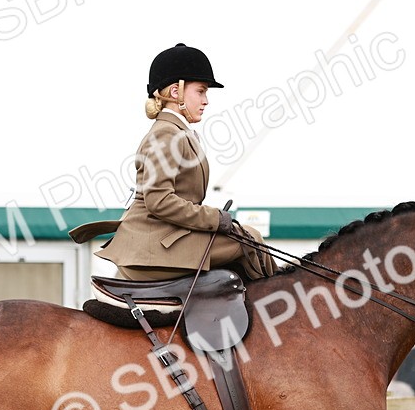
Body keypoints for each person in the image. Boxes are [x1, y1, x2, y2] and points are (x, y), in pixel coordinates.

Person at [78, 44, 277, 282]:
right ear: (176, 92)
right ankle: (278, 300)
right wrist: (215, 219)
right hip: (153, 246)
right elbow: (159, 200)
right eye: (201, 92)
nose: (206, 101)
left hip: (168, 238)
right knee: (250, 240)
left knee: (247, 238)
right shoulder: (167, 134)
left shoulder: (177, 132)